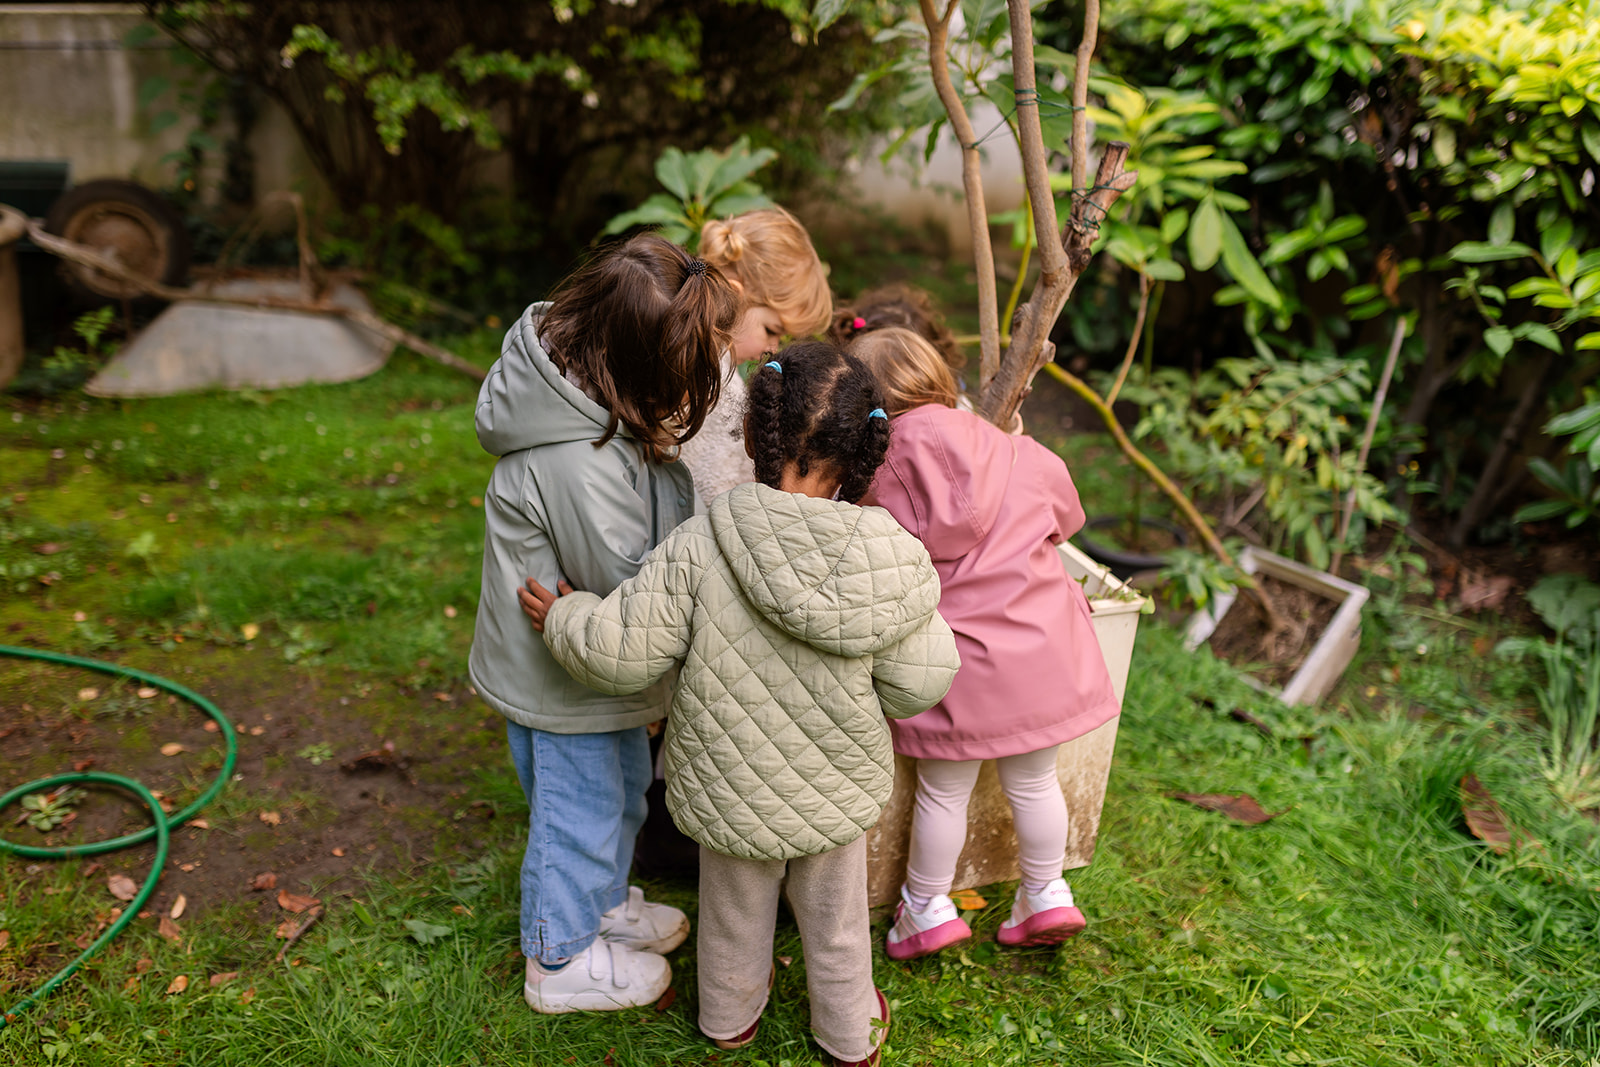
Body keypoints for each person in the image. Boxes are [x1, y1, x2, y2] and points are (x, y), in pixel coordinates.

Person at [520, 341, 960, 1066]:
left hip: (729, 784)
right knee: (838, 923)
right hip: (834, 790)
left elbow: (624, 651)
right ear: (867, 447)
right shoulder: (893, 557)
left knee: (731, 916)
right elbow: (918, 683)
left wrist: (566, 617)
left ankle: (728, 1017)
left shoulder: (703, 543)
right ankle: (850, 1032)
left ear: (755, 433)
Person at [468, 233, 740, 1013]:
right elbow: (626, 580)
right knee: (577, 808)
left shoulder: (594, 404)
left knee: (619, 791)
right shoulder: (577, 462)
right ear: (634, 369)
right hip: (565, 679)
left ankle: (602, 907)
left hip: (598, 665)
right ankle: (560, 956)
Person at [849, 327, 1119, 959]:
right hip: (1042, 657)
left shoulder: (874, 476)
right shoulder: (1019, 452)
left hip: (955, 667)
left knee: (944, 790)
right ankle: (1047, 893)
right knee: (1036, 781)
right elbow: (1070, 520)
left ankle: (926, 908)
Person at [681, 207, 833, 502]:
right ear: (736, 295)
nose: (772, 349)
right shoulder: (714, 377)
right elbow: (715, 488)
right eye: (770, 329)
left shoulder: (704, 354)